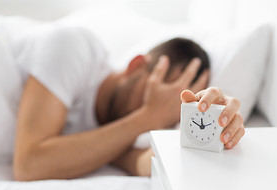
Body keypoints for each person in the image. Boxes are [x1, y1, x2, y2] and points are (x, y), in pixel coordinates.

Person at [13, 26, 244, 181]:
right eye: (152, 95)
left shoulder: (119, 139)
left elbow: (145, 162)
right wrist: (149, 116)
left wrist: (213, 134)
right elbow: (29, 164)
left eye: (169, 111)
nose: (160, 113)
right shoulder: (74, 47)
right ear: (135, 65)